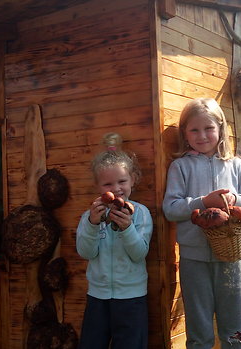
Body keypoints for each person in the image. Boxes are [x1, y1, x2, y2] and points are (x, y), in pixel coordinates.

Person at [163, 98, 241, 348]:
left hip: (231, 258)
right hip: (193, 258)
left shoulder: (236, 166)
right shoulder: (180, 167)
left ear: (220, 129)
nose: (202, 135)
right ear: (185, 133)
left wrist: (235, 198)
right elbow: (170, 209)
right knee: (199, 324)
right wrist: (203, 202)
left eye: (208, 128)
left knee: (235, 324)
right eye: (194, 129)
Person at [76, 132, 153, 349]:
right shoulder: (90, 216)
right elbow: (85, 252)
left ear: (133, 180)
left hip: (132, 298)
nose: (116, 189)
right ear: (98, 187)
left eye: (122, 181)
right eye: (107, 184)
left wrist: (127, 228)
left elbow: (139, 253)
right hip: (97, 296)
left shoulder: (140, 214)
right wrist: (92, 224)